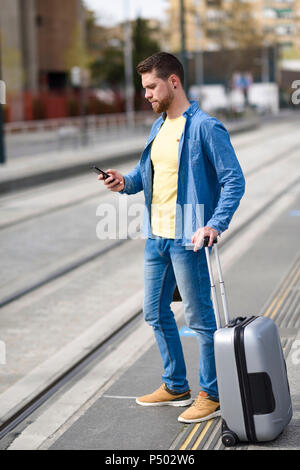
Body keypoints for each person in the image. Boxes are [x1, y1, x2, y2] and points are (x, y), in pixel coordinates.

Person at [98, 52, 245, 423]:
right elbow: (144, 176)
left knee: (200, 319)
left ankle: (211, 394)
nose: (146, 94)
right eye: (144, 87)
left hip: (188, 237)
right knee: (155, 312)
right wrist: (123, 182)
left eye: (151, 86)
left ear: (173, 82)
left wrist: (215, 224)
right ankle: (175, 385)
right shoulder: (159, 126)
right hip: (157, 238)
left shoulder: (205, 127)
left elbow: (234, 180)